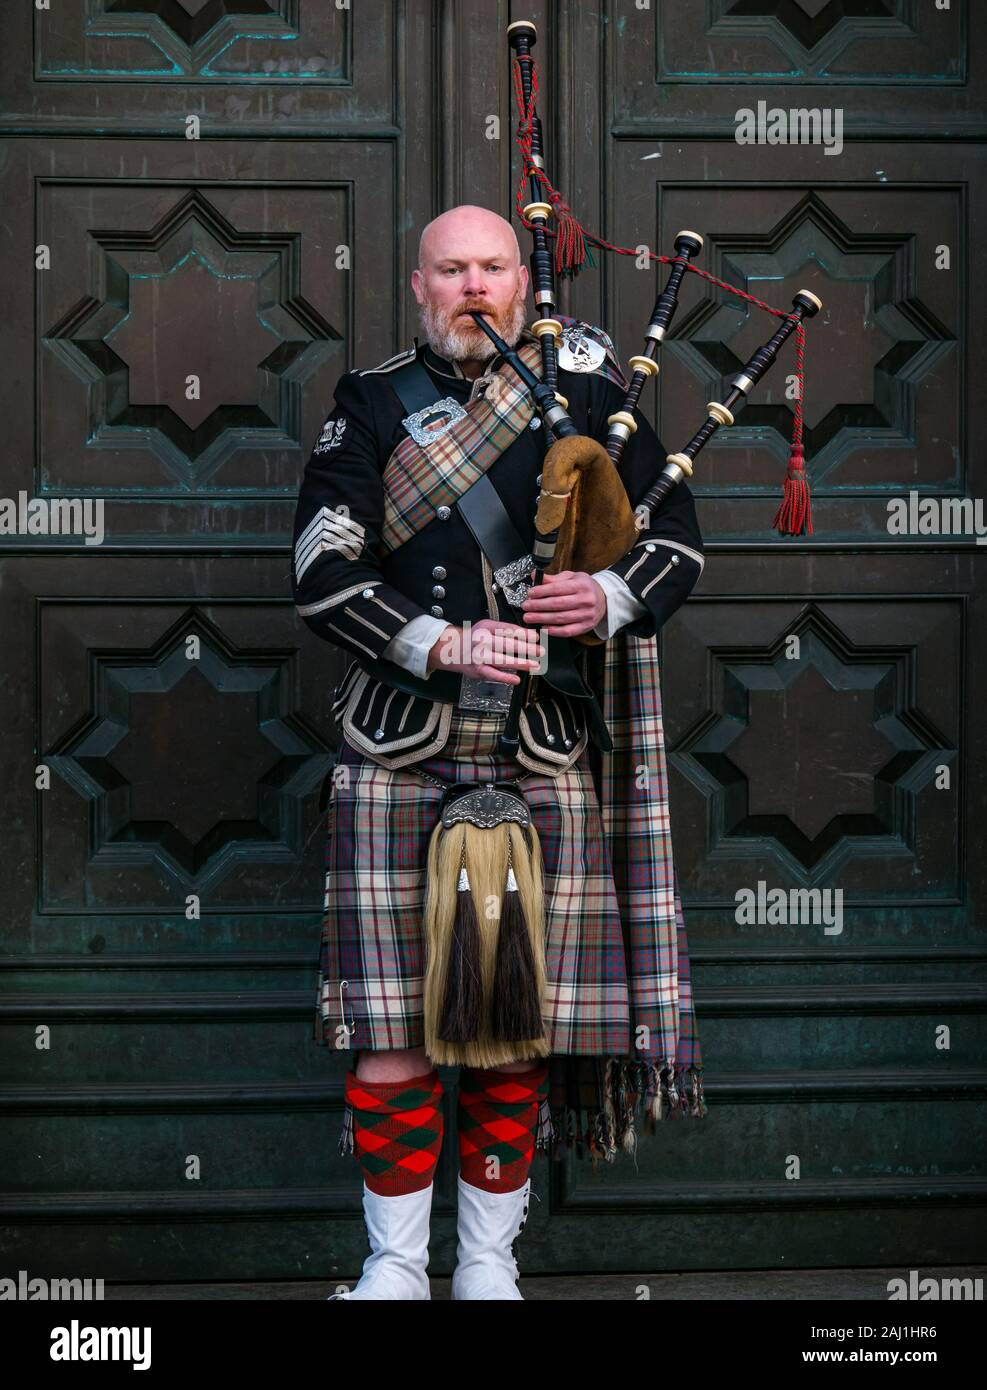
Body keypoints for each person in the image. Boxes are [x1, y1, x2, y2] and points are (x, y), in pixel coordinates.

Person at [292, 204, 706, 1301]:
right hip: (400, 748)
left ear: (523, 280)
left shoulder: (589, 394)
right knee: (391, 1027)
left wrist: (606, 593)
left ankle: (484, 1266)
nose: (473, 285)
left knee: (515, 1028)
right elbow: (321, 569)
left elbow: (678, 540)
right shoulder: (371, 403)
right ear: (417, 284)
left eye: (492, 266)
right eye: (451, 269)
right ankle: (391, 1269)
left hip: (540, 745)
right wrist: (440, 639)